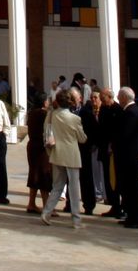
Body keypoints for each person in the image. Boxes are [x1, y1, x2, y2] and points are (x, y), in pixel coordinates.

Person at [41, 87, 88, 229]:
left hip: (57, 153)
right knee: (74, 188)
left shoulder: (53, 115)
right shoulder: (75, 118)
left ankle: (47, 212)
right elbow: (82, 138)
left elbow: (47, 130)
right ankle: (76, 219)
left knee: (57, 186)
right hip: (71, 154)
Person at [114, 87, 138, 229]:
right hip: (130, 157)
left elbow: (125, 135)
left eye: (119, 96)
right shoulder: (132, 111)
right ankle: (131, 216)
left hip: (131, 157)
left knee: (133, 189)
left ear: (124, 98)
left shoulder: (131, 113)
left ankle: (137, 218)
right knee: (129, 189)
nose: (117, 98)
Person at [24, 93, 53, 214]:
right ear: (44, 102)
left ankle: (31, 203)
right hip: (42, 148)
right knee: (44, 175)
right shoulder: (44, 114)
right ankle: (47, 206)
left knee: (34, 174)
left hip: (32, 146)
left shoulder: (31, 113)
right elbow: (48, 132)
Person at [97, 87, 122, 217]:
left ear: (110, 97)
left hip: (114, 151)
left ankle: (119, 207)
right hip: (104, 150)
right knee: (108, 179)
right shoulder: (103, 109)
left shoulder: (117, 110)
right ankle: (113, 205)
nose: (101, 100)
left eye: (103, 98)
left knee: (116, 179)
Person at [76, 85, 99, 214]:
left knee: (87, 177)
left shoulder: (86, 112)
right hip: (76, 149)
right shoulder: (80, 111)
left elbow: (93, 130)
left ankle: (89, 205)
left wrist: (91, 144)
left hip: (86, 149)